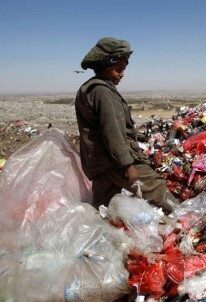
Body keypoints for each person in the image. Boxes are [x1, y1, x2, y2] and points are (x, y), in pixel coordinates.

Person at [75, 37, 179, 213]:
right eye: (118, 69)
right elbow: (112, 132)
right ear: (106, 68)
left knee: (103, 206)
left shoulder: (88, 89)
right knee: (157, 189)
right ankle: (188, 220)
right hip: (114, 161)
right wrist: (128, 166)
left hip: (99, 162)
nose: (122, 74)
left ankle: (101, 237)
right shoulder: (103, 93)